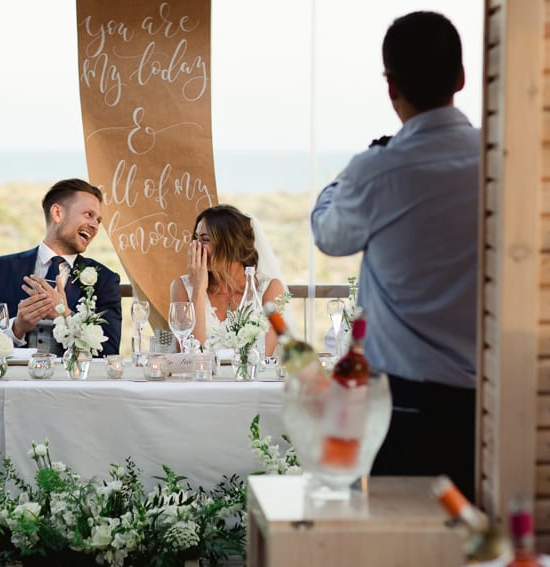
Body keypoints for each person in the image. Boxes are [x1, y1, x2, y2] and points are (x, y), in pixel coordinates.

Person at [310, 11, 480, 500]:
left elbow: (328, 234)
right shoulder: (497, 160)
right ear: (462, 77)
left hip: (406, 401)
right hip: (490, 399)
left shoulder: (377, 170)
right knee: (477, 529)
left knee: (400, 528)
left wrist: (344, 180)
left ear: (391, 86)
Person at [0, 178, 122, 356]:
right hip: (14, 374)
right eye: (88, 214)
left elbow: (109, 352)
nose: (95, 225)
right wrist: (16, 328)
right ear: (57, 213)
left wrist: (65, 316)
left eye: (98, 220)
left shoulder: (105, 280)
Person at [170, 204, 286, 355]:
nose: (195, 247)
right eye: (195, 238)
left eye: (204, 239)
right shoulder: (182, 287)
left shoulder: (271, 289)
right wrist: (199, 289)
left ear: (231, 245)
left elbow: (265, 354)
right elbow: (190, 355)